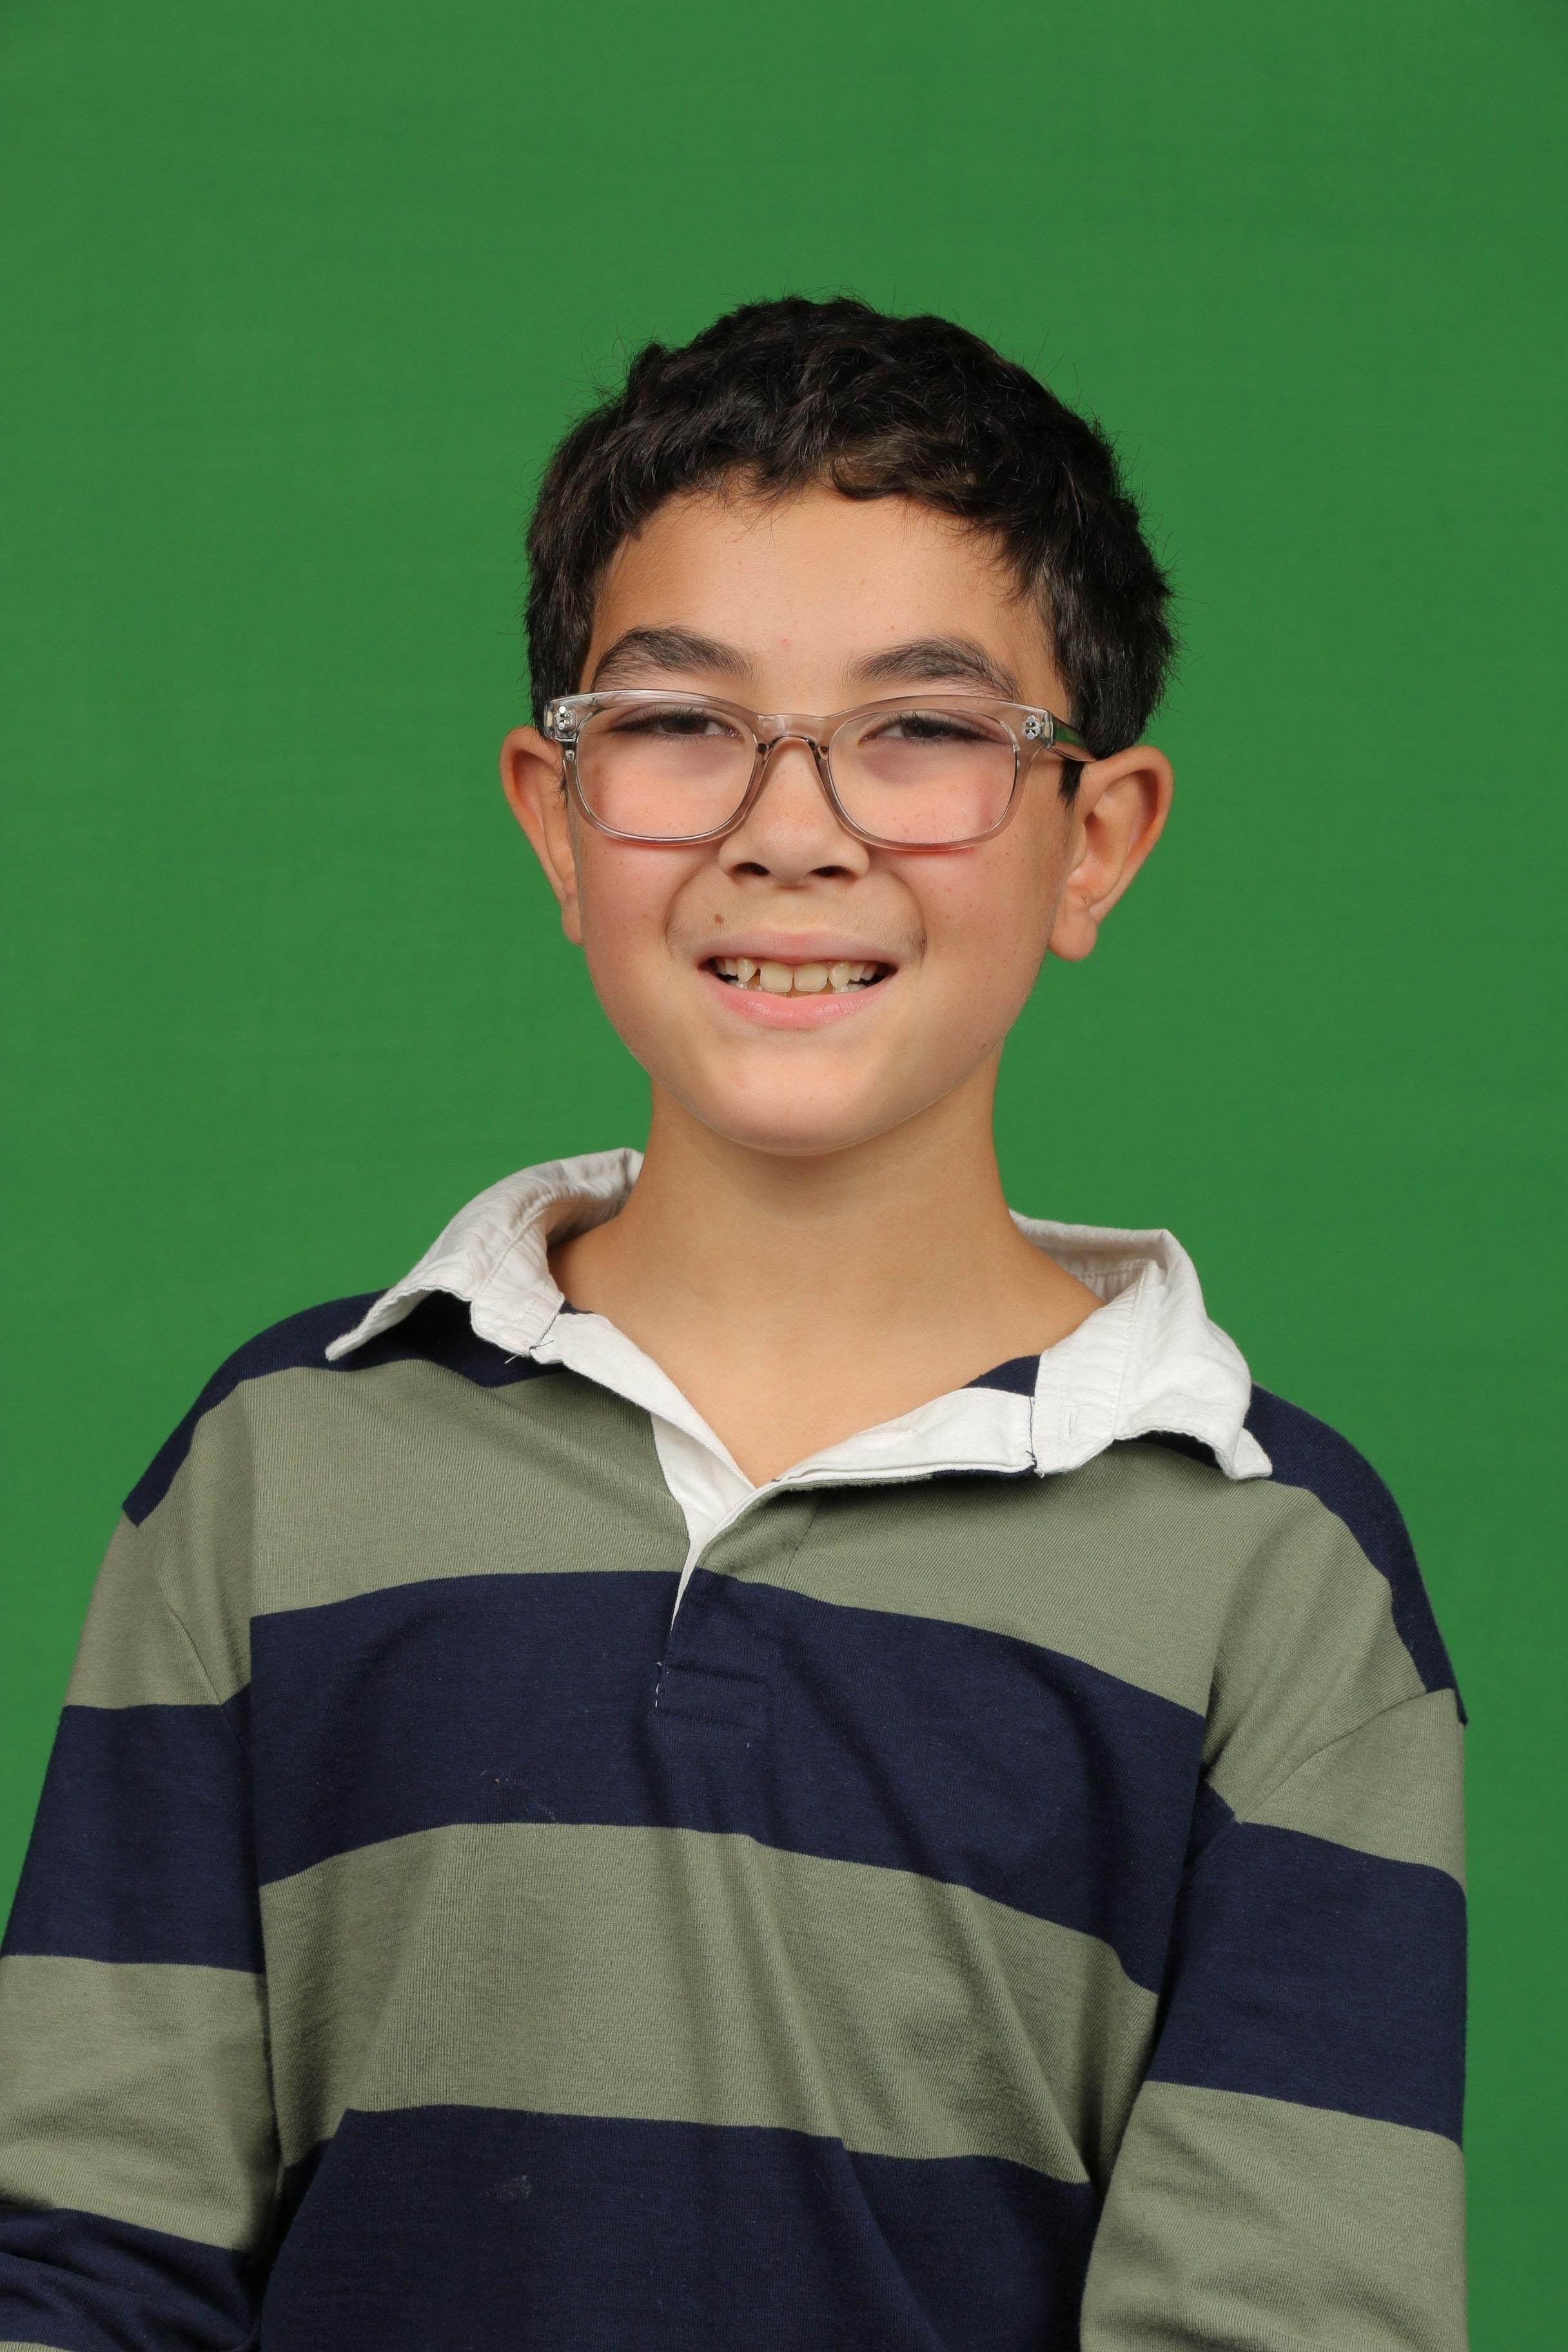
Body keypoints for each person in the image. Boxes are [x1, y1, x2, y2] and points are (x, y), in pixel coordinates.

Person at [0, 297, 1466, 2351]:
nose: (791, 827)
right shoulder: (280, 1467)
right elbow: (85, 2261)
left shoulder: (1277, 1568)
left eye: (924, 729)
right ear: (555, 813)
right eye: (682, 722)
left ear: (1096, 839)